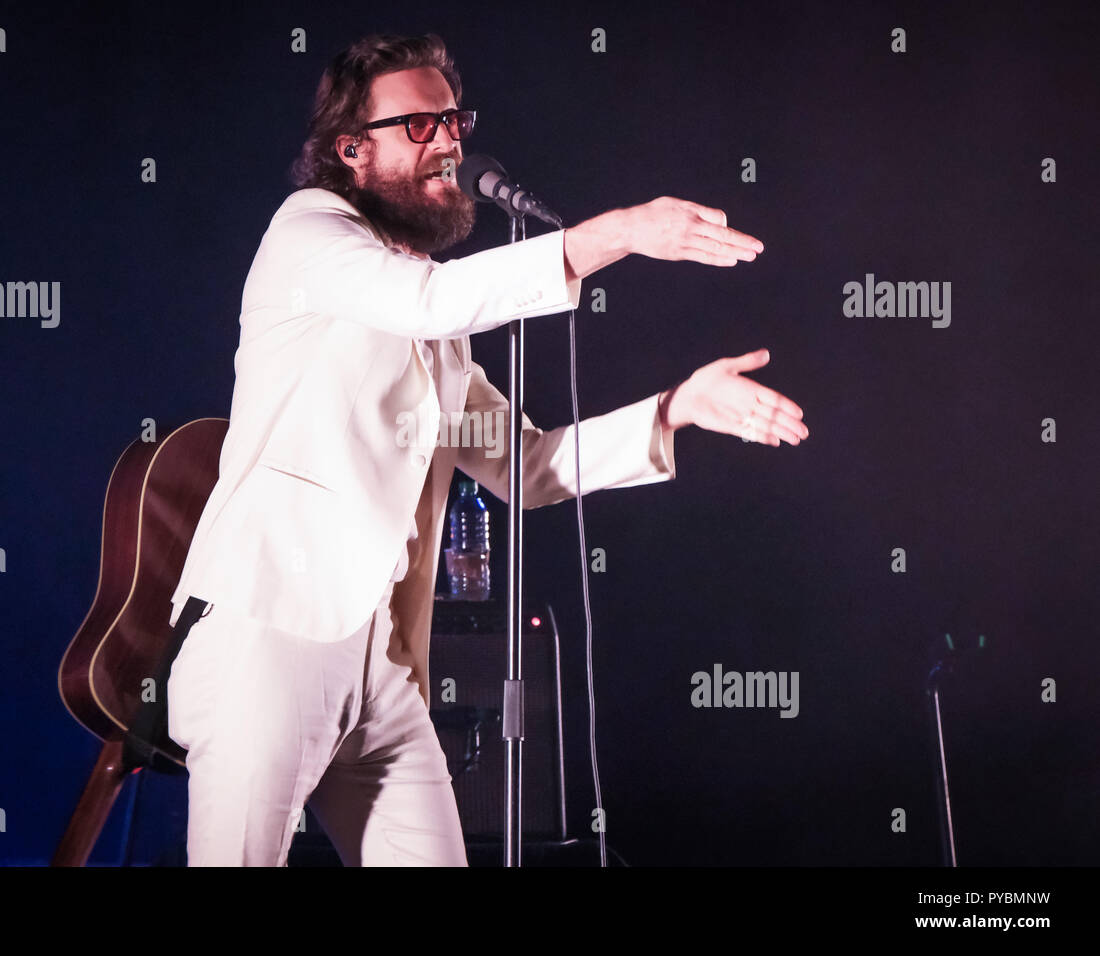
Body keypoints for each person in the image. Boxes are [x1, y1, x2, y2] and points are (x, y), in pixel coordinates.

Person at [165, 32, 809, 867]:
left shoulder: (438, 339)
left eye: (455, 119)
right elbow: (430, 301)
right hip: (270, 639)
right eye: (420, 125)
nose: (451, 140)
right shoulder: (308, 234)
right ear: (351, 150)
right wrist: (611, 234)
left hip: (385, 669)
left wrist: (678, 407)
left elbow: (530, 465)